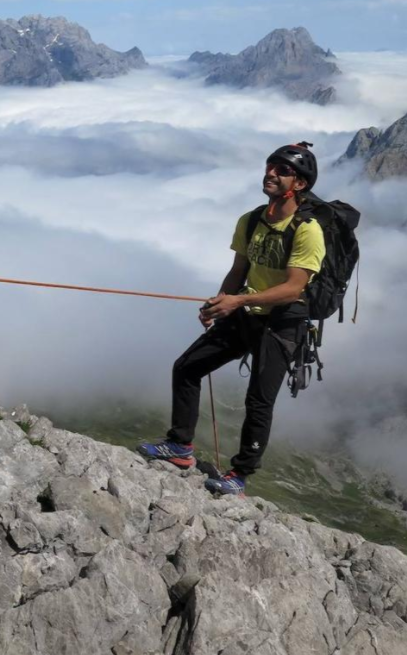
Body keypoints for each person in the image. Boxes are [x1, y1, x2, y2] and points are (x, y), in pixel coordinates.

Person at [137, 143, 326, 497]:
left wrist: (237, 300)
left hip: (283, 322)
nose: (271, 173)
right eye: (270, 166)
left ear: (299, 184)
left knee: (258, 400)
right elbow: (239, 270)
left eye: (281, 170)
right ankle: (180, 447)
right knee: (188, 367)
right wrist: (220, 302)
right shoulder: (252, 219)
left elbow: (293, 289)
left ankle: (239, 474)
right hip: (246, 313)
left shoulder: (308, 230)